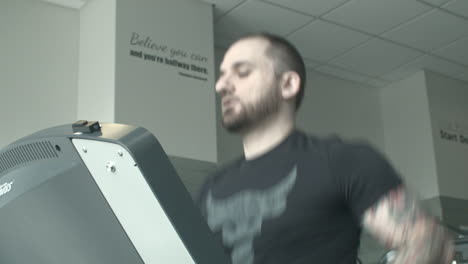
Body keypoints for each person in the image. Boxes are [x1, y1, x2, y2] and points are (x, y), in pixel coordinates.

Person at [197, 32, 453, 264]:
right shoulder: (212, 187)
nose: (221, 85)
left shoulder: (342, 160)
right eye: (222, 75)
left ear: (288, 84)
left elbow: (430, 243)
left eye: (242, 72)